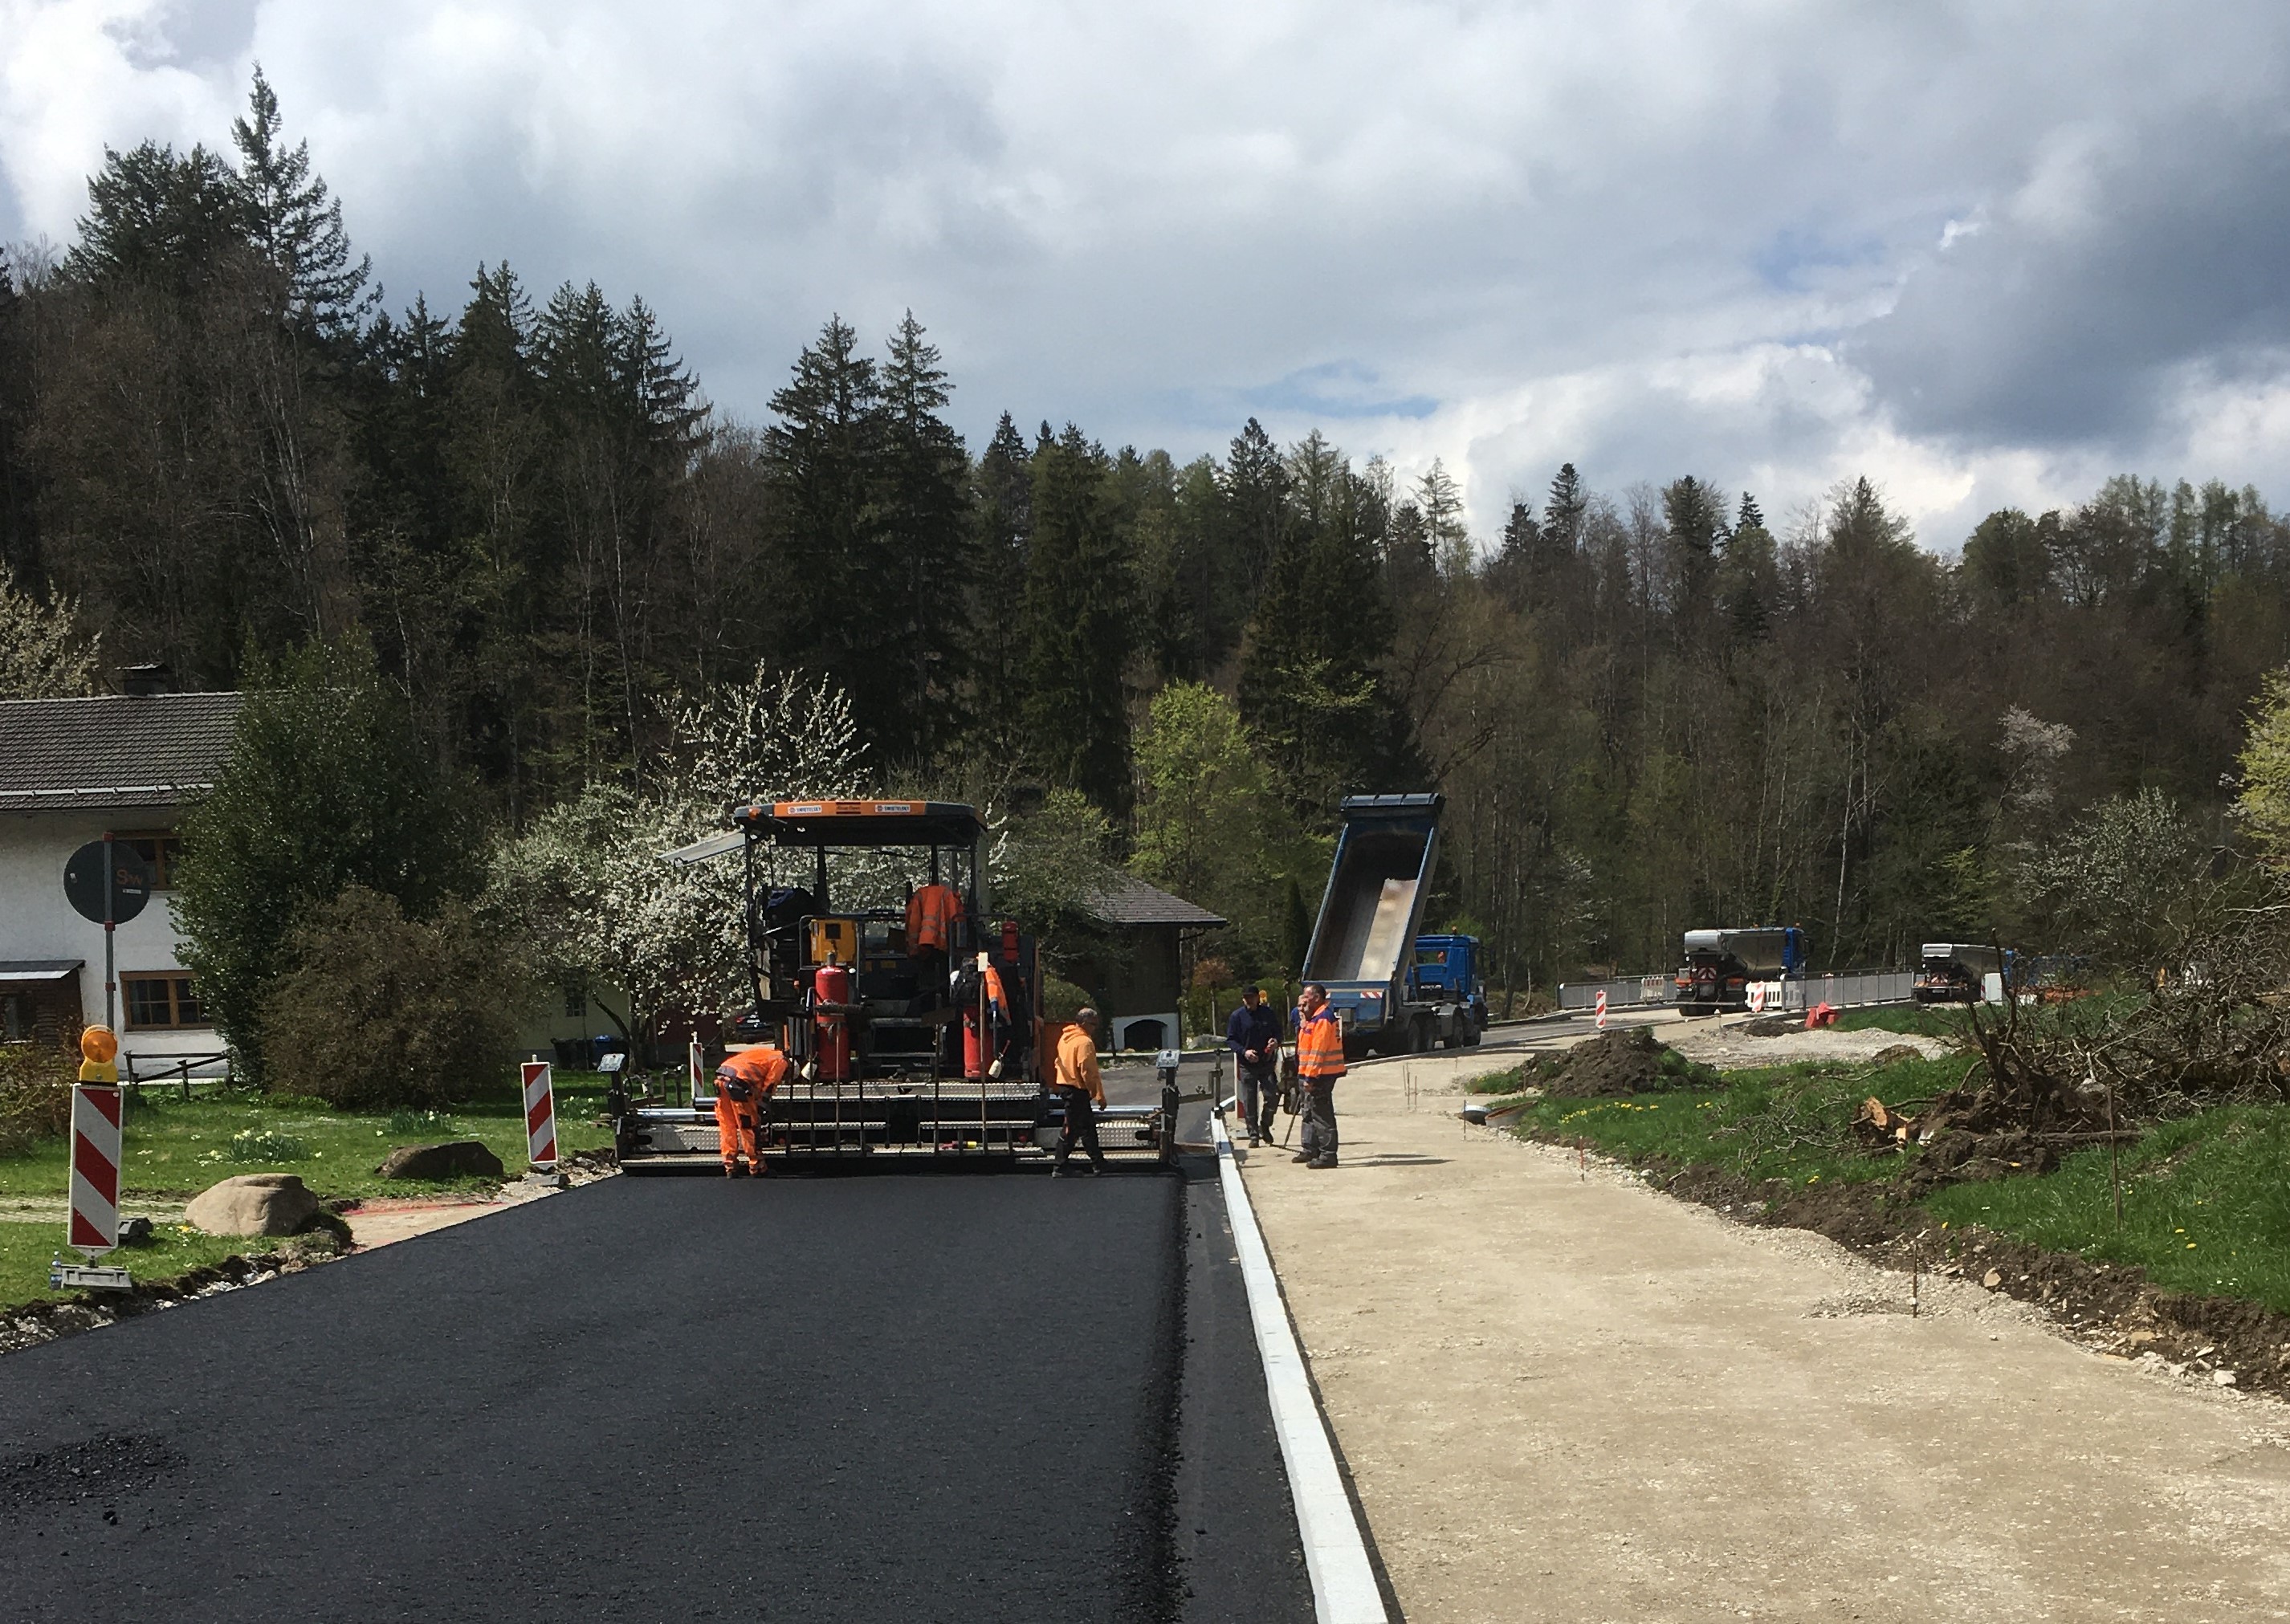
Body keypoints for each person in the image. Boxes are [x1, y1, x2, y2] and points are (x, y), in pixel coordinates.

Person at [1293, 982, 1347, 1169]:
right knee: (1311, 1112)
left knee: (1322, 1115)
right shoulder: (1314, 1018)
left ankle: (1328, 1155)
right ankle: (1314, 1149)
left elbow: (1318, 1051)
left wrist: (1311, 1077)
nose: (1304, 1001)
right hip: (1317, 1073)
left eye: (1307, 997)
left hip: (1321, 1075)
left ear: (1317, 997)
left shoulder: (1323, 1018)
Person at [715, 1044, 789, 1177]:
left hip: (722, 1078)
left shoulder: (766, 1053)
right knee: (748, 1126)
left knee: (727, 1125)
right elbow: (770, 1085)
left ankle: (730, 1166)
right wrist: (761, 1106)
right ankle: (757, 1167)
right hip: (738, 1085)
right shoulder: (781, 1061)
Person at [1050, 1007, 1107, 1178]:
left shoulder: (1065, 1038)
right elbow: (1089, 1072)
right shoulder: (1084, 1043)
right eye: (1093, 1024)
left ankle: (1098, 1163)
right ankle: (1059, 1166)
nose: (1095, 1028)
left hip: (1066, 1087)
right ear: (1083, 1023)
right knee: (1071, 1129)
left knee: (1087, 1127)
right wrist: (1098, 1095)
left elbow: (1058, 1061)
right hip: (1077, 1090)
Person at [1225, 984, 1283, 1146]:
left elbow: (1278, 1033)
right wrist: (1244, 1052)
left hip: (1266, 1063)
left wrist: (1275, 1042)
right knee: (1249, 1101)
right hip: (1247, 1065)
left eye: (1252, 997)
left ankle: (1265, 1124)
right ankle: (1253, 1134)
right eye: (1246, 998)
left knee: (1272, 1095)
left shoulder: (1268, 1014)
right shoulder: (1237, 1017)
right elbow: (1230, 1040)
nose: (1249, 1000)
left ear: (1258, 997)